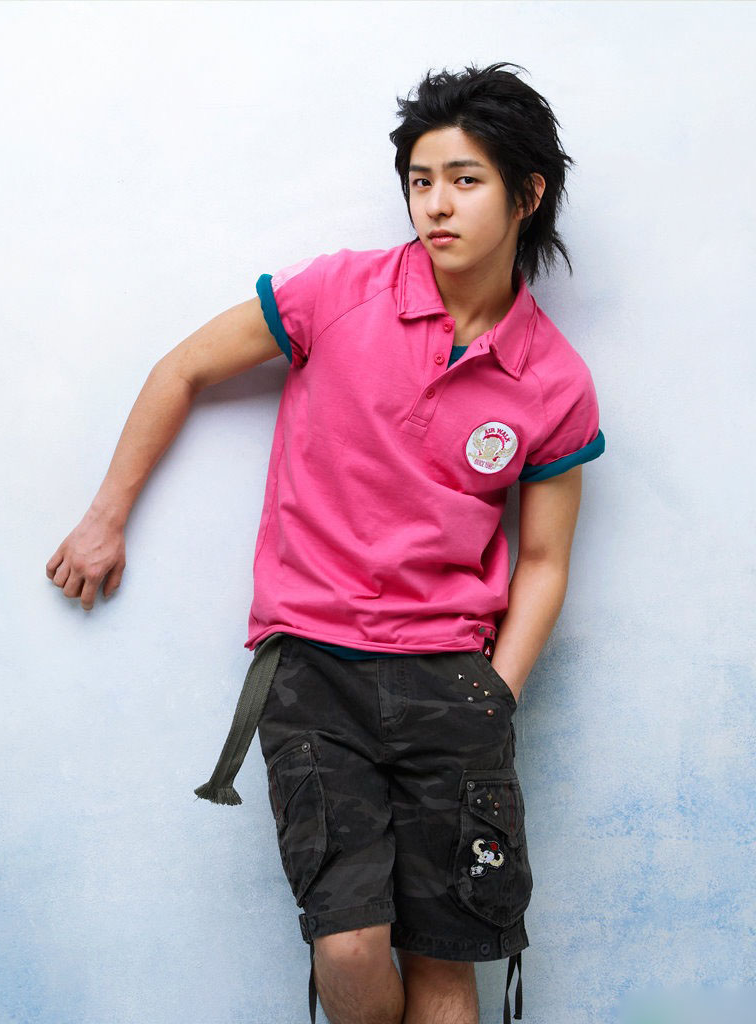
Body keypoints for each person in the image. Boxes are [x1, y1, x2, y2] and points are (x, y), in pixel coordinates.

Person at [45, 62, 603, 1024]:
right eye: (421, 180)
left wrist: (497, 693)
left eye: (464, 180)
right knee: (347, 942)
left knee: (447, 965)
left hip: (452, 679)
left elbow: (546, 561)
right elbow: (185, 368)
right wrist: (106, 516)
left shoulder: (553, 379)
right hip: (314, 669)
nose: (435, 204)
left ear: (527, 194)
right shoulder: (337, 292)